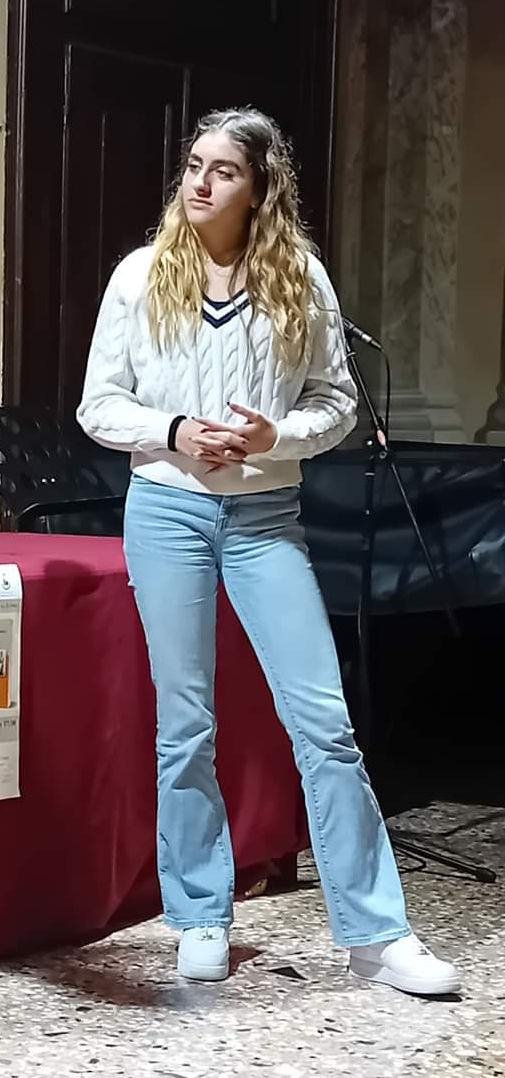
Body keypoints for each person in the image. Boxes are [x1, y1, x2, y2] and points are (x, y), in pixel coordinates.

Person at [77, 107, 459, 997]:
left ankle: (377, 934)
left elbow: (337, 403)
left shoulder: (300, 279)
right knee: (186, 724)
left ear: (258, 188)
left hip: (264, 519)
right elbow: (99, 405)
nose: (200, 182)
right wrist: (176, 431)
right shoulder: (140, 275)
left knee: (324, 722)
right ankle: (200, 915)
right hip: (167, 511)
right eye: (193, 165)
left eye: (224, 171)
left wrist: (274, 436)